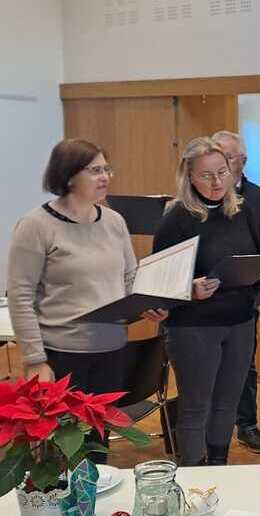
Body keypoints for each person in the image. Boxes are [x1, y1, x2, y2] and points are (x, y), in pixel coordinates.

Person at [6, 138, 167, 462]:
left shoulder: (113, 221)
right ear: (68, 177)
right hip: (62, 355)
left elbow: (129, 277)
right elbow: (21, 296)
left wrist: (145, 303)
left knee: (97, 445)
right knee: (60, 451)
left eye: (107, 168)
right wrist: (36, 359)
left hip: (111, 349)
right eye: (95, 170)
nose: (105, 176)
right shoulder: (35, 226)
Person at [153, 136, 260, 466]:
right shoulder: (175, 219)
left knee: (228, 403)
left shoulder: (240, 211)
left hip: (240, 320)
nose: (217, 182)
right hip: (194, 326)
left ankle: (218, 467)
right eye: (206, 175)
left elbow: (253, 255)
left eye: (222, 172)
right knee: (196, 405)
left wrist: (257, 271)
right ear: (188, 177)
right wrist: (191, 288)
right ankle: (193, 475)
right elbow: (158, 282)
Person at [211, 130, 260, 454]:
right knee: (208, 365)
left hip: (245, 297)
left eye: (227, 158)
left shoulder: (259, 199)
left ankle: (247, 424)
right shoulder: (199, 198)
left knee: (244, 364)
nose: (220, 165)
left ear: (243, 161)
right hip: (205, 299)